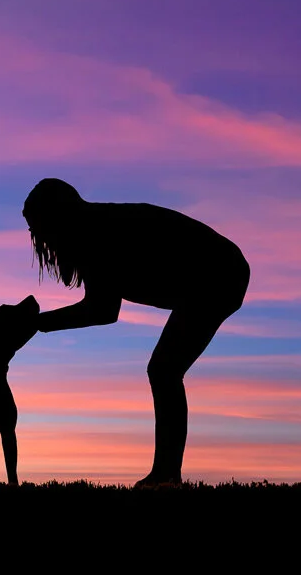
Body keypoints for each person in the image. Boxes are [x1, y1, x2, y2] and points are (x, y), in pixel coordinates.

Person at [23, 178, 250, 487]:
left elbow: (102, 310)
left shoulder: (96, 234)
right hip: (215, 271)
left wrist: (36, 324)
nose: (38, 238)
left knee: (164, 370)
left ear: (57, 217)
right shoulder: (95, 227)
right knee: (164, 370)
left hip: (219, 272)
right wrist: (39, 324)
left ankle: (167, 475)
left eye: (38, 227)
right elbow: (102, 308)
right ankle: (167, 473)